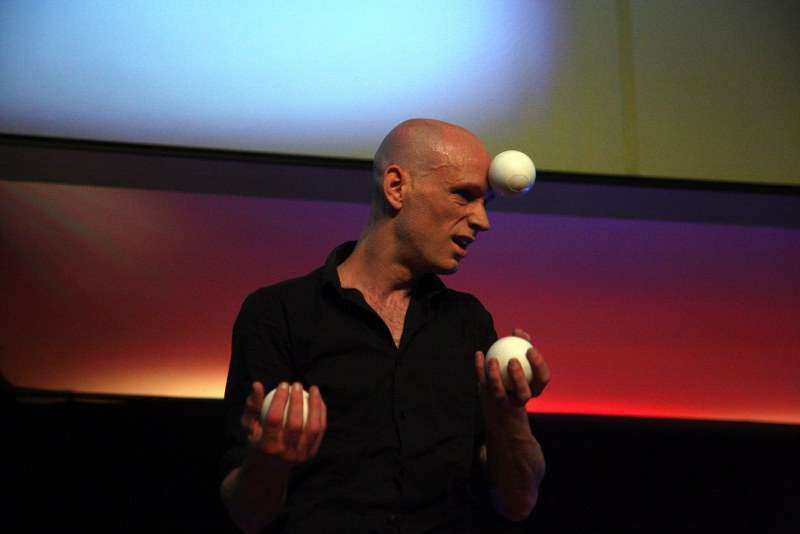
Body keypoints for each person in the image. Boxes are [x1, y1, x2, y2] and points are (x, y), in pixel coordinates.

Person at [220, 118, 550, 533]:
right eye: (463, 196)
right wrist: (271, 458)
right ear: (396, 187)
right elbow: (247, 514)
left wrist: (508, 415)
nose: (482, 220)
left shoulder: (469, 323)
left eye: (485, 203)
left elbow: (519, 502)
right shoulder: (278, 314)